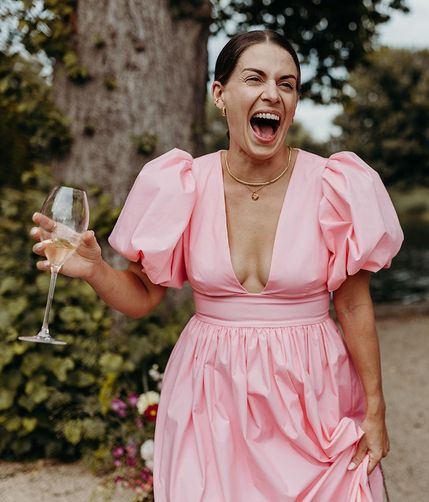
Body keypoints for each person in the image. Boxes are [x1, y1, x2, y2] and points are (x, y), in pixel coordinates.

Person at [31, 30, 403, 501]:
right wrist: (95, 270)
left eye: (287, 84)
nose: (273, 92)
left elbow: (352, 308)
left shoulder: (335, 185)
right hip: (210, 393)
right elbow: (143, 296)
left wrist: (375, 410)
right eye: (255, 78)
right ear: (220, 94)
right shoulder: (181, 184)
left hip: (312, 395)